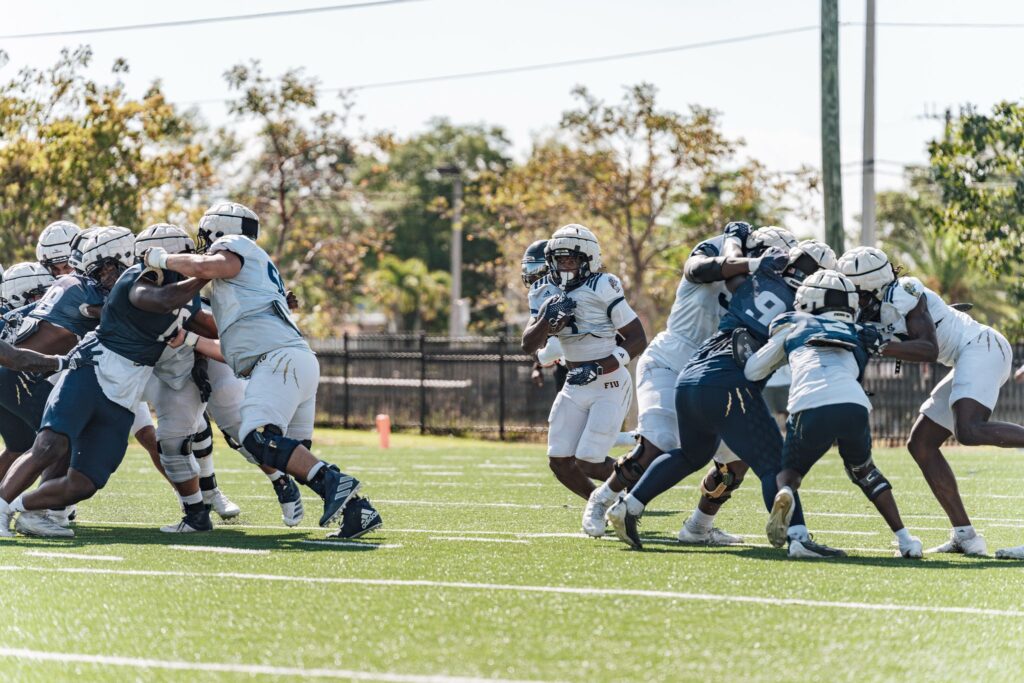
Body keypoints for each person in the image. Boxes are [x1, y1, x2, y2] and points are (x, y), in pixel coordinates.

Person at [141, 201, 380, 538]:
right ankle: (358, 511)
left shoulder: (233, 247)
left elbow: (211, 265)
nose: (204, 243)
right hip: (294, 361)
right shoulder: (244, 283)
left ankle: (338, 483)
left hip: (279, 362)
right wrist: (190, 340)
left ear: (219, 231)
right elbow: (233, 351)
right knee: (288, 455)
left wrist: (163, 259)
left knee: (259, 438)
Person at [607, 240, 843, 558]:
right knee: (775, 464)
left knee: (691, 455)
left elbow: (731, 273)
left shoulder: (758, 280)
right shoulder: (800, 311)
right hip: (728, 382)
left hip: (690, 375)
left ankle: (629, 506)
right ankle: (799, 539)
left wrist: (736, 241)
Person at [582, 223, 798, 540]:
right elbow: (698, 269)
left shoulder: (769, 289)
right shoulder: (718, 249)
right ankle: (602, 499)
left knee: (736, 461)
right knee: (661, 441)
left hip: (714, 374)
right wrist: (751, 262)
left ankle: (699, 527)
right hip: (670, 361)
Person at [0, 226, 204, 537]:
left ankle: (32, 510)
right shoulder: (124, 285)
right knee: (51, 445)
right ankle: (19, 509)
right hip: (77, 371)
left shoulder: (93, 286)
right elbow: (156, 302)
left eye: (105, 268)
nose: (102, 277)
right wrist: (206, 271)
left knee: (85, 479)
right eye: (96, 271)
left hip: (118, 389)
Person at [839, 246, 1022, 557]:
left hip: (982, 346)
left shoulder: (903, 291)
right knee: (921, 444)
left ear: (872, 285)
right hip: (965, 356)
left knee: (968, 430)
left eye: (856, 291)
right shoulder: (874, 306)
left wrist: (882, 345)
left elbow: (928, 349)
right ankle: (965, 535)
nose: (851, 298)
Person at [744, 269, 922, 558]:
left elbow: (753, 370)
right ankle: (905, 540)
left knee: (789, 473)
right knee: (865, 471)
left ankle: (791, 513)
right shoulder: (859, 331)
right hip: (853, 403)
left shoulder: (793, 324)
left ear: (809, 299)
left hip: (808, 402)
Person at [522, 225, 647, 508]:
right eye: (559, 260)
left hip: (609, 380)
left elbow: (637, 338)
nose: (564, 266)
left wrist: (600, 367)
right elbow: (528, 345)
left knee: (588, 460)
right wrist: (546, 319)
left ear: (588, 259)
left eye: (571, 260)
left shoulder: (603, 285)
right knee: (560, 461)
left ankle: (645, 485)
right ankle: (600, 504)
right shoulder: (542, 290)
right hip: (575, 381)